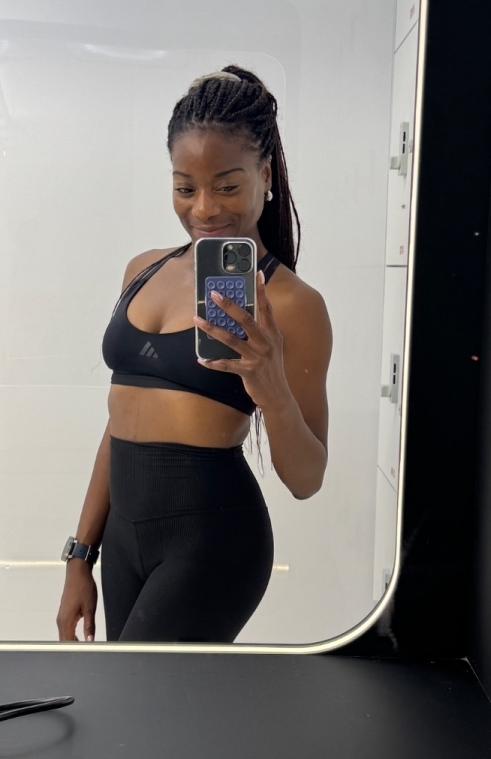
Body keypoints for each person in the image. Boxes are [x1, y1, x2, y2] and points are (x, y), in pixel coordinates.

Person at [56, 66, 332, 644]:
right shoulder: (142, 270)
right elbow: (119, 422)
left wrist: (272, 390)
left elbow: (307, 479)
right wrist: (81, 554)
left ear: (265, 176)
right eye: (186, 188)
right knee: (135, 699)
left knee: (141, 694)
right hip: (123, 541)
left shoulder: (293, 304)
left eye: (227, 187)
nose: (204, 209)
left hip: (213, 540)